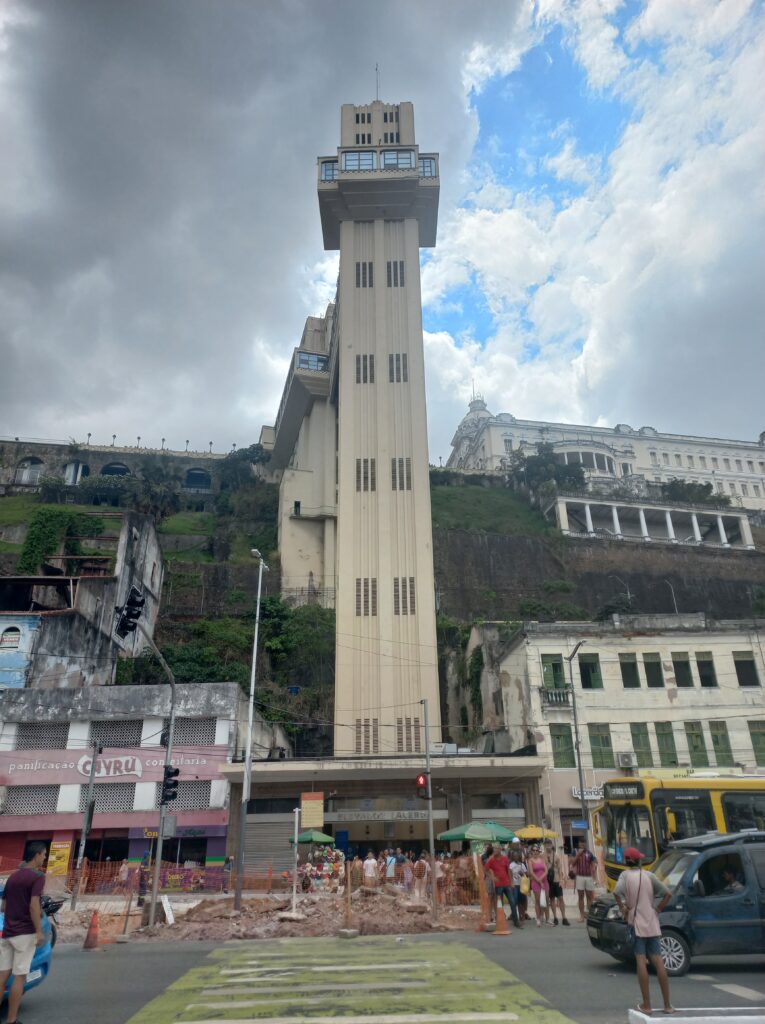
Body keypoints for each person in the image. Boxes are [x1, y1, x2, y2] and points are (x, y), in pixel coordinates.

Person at [614, 846, 674, 1016]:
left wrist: (623, 908)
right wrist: (657, 910)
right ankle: (667, 1005)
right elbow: (667, 894)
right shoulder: (649, 875)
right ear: (638, 860)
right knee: (658, 961)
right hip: (652, 922)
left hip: (637, 923)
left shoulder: (625, 876)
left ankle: (647, 1005)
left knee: (641, 961)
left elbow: (616, 893)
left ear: (627, 861)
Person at [0, 842, 48, 1024]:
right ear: (36, 855)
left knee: (2, 976)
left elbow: (3, 907)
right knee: (20, 977)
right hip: (24, 934)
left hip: (8, 933)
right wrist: (38, 931)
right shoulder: (37, 877)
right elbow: (34, 905)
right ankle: (11, 1020)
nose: (44, 858)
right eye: (44, 855)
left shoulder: (13, 877)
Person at [486, 844, 516, 928]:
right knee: (500, 904)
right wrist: (492, 877)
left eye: (496, 848)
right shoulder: (491, 860)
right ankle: (500, 920)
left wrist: (512, 882)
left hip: (507, 884)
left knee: (512, 902)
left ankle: (515, 920)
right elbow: (485, 870)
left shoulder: (505, 858)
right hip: (498, 885)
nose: (495, 850)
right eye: (494, 849)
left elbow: (509, 871)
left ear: (500, 850)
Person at [573, 842, 598, 922]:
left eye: (584, 845)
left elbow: (594, 862)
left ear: (585, 845)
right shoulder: (575, 851)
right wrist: (578, 855)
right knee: (580, 897)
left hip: (588, 877)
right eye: (581, 845)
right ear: (579, 845)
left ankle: (590, 916)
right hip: (579, 876)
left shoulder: (589, 853)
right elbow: (573, 863)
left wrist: (594, 873)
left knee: (590, 897)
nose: (582, 846)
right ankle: (581, 916)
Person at [528, 845, 552, 926]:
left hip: (544, 882)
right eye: (533, 850)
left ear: (539, 852)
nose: (535, 852)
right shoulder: (530, 860)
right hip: (536, 882)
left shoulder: (542, 860)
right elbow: (531, 872)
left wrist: (541, 880)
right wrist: (539, 881)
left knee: (546, 900)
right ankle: (538, 919)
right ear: (531, 852)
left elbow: (546, 871)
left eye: (536, 850)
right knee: (538, 901)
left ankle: (547, 918)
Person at [547, 845, 570, 925]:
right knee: (552, 899)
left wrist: (561, 880)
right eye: (546, 845)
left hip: (556, 880)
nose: (548, 847)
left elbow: (560, 869)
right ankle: (555, 917)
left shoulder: (556, 856)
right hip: (548, 880)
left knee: (560, 898)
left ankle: (564, 917)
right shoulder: (543, 856)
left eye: (549, 846)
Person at [509, 848, 527, 928]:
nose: (516, 857)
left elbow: (526, 874)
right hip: (514, 885)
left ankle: (522, 917)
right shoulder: (511, 865)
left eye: (517, 856)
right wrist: (511, 883)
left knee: (521, 902)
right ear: (512, 857)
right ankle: (514, 917)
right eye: (514, 856)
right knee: (514, 902)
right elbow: (509, 875)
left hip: (522, 885)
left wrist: (523, 873)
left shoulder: (522, 864)